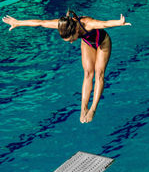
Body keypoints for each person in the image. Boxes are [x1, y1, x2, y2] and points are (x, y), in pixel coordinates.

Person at [2, 10, 131, 123]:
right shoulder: (63, 25)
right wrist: (18, 22)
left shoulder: (88, 23)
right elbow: (41, 22)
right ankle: (83, 108)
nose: (70, 42)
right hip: (87, 42)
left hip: (103, 42)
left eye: (70, 39)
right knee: (87, 74)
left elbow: (104, 24)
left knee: (99, 74)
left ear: (75, 31)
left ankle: (92, 109)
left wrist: (119, 22)